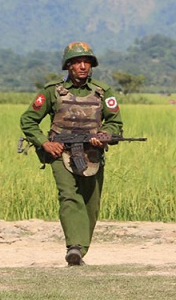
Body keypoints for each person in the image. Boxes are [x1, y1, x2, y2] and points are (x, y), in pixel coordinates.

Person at [20, 41, 123, 266]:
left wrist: (105, 135)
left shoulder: (103, 92)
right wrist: (44, 143)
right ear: (68, 66)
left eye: (86, 62)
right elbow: (28, 120)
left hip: (92, 154)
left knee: (91, 204)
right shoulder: (52, 92)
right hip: (60, 153)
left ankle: (80, 249)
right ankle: (73, 247)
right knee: (69, 196)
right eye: (77, 62)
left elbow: (115, 123)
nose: (83, 66)